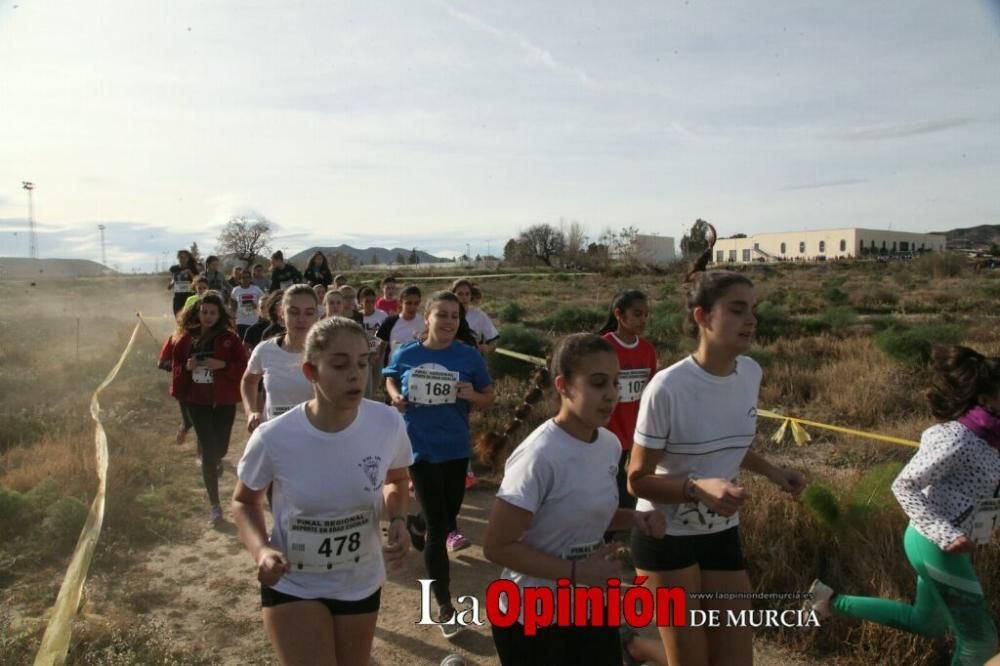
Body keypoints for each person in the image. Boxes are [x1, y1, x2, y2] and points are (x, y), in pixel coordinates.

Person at [627, 264, 806, 666]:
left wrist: (774, 472)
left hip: (722, 534)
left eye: (753, 310)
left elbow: (727, 445)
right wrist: (695, 488)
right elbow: (636, 481)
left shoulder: (751, 373)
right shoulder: (668, 387)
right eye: (737, 310)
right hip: (664, 536)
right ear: (702, 317)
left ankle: (636, 649)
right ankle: (637, 648)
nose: (751, 320)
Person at [233, 316, 412, 666]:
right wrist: (262, 551)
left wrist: (400, 519)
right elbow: (244, 501)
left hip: (360, 580)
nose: (355, 374)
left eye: (362, 363)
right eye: (340, 364)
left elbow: (397, 479)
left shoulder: (387, 423)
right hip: (293, 583)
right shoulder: (274, 437)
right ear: (310, 372)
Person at [808, 345, 1000, 666]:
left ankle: (829, 601)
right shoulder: (959, 438)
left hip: (944, 545)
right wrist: (946, 533)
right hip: (934, 543)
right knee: (980, 642)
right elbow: (904, 484)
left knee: (928, 622)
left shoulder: (992, 439)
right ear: (986, 398)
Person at [483, 333, 666, 665]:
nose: (611, 395)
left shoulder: (608, 444)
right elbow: (497, 546)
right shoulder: (539, 456)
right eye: (598, 384)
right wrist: (574, 571)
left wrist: (635, 518)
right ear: (563, 386)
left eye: (615, 382)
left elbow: (585, 512)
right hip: (532, 619)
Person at [383, 291, 495, 637]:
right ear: (427, 318)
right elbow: (389, 377)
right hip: (420, 448)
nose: (448, 322)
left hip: (456, 447)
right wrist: (395, 396)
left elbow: (488, 396)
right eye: (442, 315)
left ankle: (419, 524)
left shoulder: (468, 356)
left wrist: (471, 395)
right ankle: (445, 606)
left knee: (445, 518)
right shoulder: (408, 353)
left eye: (454, 316)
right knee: (438, 530)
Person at [166, 291, 248, 525]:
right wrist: (188, 367)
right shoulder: (185, 339)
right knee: (210, 452)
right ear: (198, 313)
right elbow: (175, 367)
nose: (208, 316)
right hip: (197, 401)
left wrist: (221, 364)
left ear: (220, 314)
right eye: (204, 312)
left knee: (220, 449)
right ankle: (215, 506)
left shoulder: (230, 339)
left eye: (213, 313)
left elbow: (243, 368)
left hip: (223, 402)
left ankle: (212, 456)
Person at [598, 290, 658, 520]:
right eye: (637, 314)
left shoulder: (647, 350)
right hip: (608, 431)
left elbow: (651, 390)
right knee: (614, 484)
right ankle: (614, 530)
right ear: (619, 315)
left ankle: (622, 524)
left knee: (628, 480)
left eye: (646, 315)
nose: (643, 320)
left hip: (636, 432)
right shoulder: (603, 347)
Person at [241, 285, 319, 431]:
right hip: (273, 434)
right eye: (294, 312)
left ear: (317, 315)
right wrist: (251, 412)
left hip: (314, 436)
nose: (301, 319)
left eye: (309, 313)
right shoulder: (265, 350)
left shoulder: (327, 352)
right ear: (281, 313)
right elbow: (248, 381)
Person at [374, 285, 425, 369]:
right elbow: (376, 340)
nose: (413, 307)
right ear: (401, 302)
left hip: (416, 372)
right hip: (393, 370)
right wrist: (373, 353)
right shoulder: (390, 322)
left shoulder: (424, 323)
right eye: (408, 303)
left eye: (416, 303)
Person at [450, 280, 499, 353]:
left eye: (467, 294)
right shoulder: (446, 315)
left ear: (471, 296)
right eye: (460, 294)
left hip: (472, 359)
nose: (464, 297)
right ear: (452, 295)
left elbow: (493, 340)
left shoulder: (479, 315)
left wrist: (487, 348)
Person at [358, 286, 387, 398]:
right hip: (363, 354)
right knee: (367, 385)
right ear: (361, 301)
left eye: (372, 301)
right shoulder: (358, 316)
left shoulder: (382, 315)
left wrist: (379, 353)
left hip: (378, 353)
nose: (370, 304)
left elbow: (385, 337)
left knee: (375, 382)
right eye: (367, 301)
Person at [231, 270, 265, 340]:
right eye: (243, 277)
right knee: (243, 345)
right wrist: (233, 321)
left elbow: (264, 301)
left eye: (247, 277)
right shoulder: (235, 290)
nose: (245, 279)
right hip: (240, 321)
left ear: (250, 278)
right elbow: (233, 306)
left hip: (254, 321)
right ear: (240, 279)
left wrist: (257, 307)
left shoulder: (256, 289)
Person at [168, 249, 199, 315]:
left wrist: (190, 273)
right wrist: (171, 284)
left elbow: (198, 281)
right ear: (178, 258)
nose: (183, 259)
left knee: (188, 318)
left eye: (185, 257)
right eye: (181, 257)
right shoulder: (174, 268)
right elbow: (174, 278)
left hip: (189, 297)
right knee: (178, 317)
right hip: (178, 298)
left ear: (188, 258)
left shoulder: (193, 268)